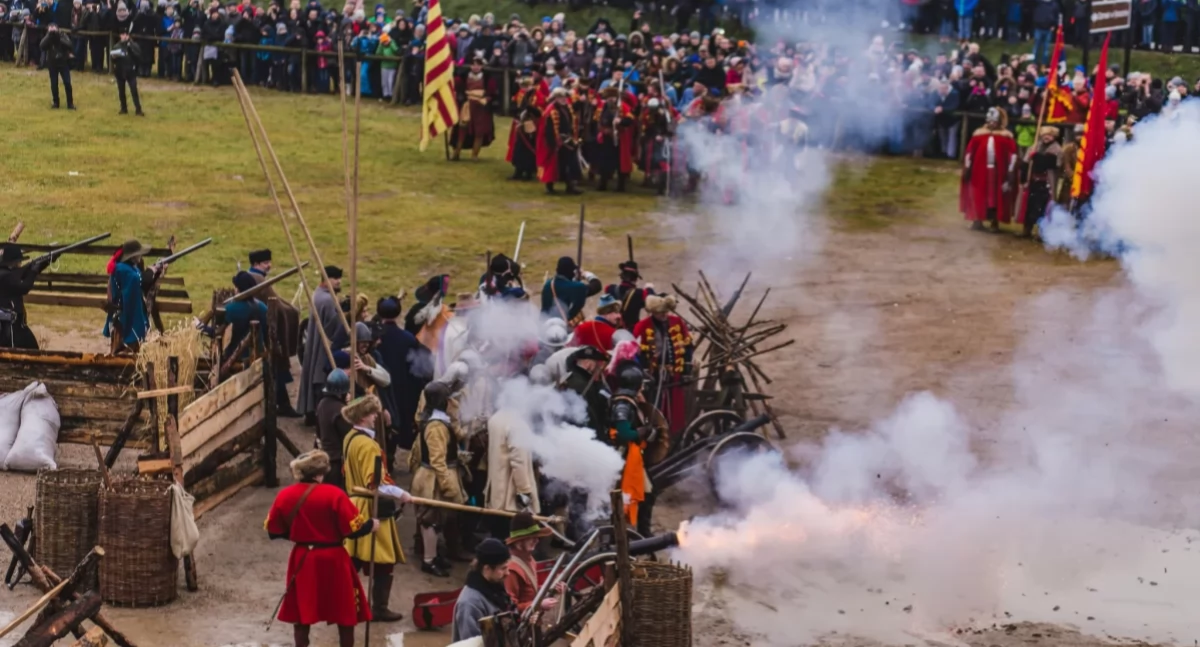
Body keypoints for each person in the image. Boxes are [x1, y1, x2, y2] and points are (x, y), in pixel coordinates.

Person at [264, 449, 378, 647]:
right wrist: (371, 525)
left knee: (302, 611)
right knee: (344, 609)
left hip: (302, 558)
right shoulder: (335, 494)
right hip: (334, 559)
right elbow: (353, 530)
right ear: (319, 474)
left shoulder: (284, 495)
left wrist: (301, 535)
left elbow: (273, 532)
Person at [341, 394, 410, 623]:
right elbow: (376, 484)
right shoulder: (369, 445)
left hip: (354, 504)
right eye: (371, 413)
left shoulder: (350, 437)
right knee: (382, 560)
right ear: (362, 417)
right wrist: (402, 494)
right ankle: (379, 608)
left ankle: (344, 603)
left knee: (354, 558)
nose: (375, 417)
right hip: (371, 506)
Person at [407, 381, 466, 578]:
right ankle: (429, 560)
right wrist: (447, 484)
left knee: (438, 520)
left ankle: (433, 556)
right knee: (430, 520)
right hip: (432, 480)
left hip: (436, 477)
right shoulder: (436, 427)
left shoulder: (438, 422)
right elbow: (437, 460)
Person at [248, 249, 302, 417]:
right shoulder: (257, 279)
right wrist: (291, 313)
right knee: (276, 370)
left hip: (262, 332)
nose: (269, 265)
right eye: (265, 263)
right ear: (256, 264)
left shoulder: (257, 278)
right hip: (266, 334)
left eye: (269, 262)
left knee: (275, 372)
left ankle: (280, 404)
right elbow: (276, 305)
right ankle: (281, 405)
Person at [633, 295, 694, 438]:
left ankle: (675, 435)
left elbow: (688, 346)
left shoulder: (677, 322)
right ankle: (658, 435)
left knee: (676, 408)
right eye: (661, 312)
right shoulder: (642, 326)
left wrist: (685, 368)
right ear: (653, 312)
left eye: (666, 311)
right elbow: (637, 352)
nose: (664, 315)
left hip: (675, 374)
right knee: (656, 407)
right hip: (654, 376)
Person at [608, 363, 657, 536]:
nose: (643, 387)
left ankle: (642, 533)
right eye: (641, 384)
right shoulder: (623, 404)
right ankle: (625, 535)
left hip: (632, 454)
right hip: (623, 455)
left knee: (647, 493)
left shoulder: (629, 401)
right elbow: (623, 434)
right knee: (625, 497)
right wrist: (640, 432)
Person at [373, 296, 423, 452]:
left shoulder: (374, 337)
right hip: (403, 387)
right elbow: (416, 368)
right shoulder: (408, 339)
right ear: (399, 313)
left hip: (378, 386)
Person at [960, 107, 1018, 233]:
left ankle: (994, 222)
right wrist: (968, 166)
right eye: (990, 121)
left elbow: (1012, 155)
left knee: (997, 197)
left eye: (995, 121)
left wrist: (1010, 170)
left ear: (999, 122)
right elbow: (969, 152)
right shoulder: (979, 135)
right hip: (979, 171)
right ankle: (977, 220)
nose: (992, 123)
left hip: (998, 172)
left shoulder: (1006, 137)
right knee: (978, 195)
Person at [485, 407, 539, 539]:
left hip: (496, 490)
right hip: (510, 497)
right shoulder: (517, 424)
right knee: (515, 539)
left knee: (498, 535)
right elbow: (518, 461)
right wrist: (524, 490)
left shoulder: (496, 418)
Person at [299, 266, 343, 423]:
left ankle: (310, 412)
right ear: (325, 279)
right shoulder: (328, 300)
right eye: (335, 278)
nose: (338, 281)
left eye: (339, 278)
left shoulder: (318, 294)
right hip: (323, 345)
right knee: (321, 377)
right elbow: (334, 328)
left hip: (315, 341)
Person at [451, 538, 514, 642]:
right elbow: (471, 643)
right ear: (487, 569)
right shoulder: (469, 604)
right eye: (503, 568)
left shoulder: (496, 587)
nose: (507, 573)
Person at [103, 240, 157, 353]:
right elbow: (138, 280)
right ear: (133, 256)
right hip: (123, 318)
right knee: (123, 353)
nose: (141, 256)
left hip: (125, 316)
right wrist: (150, 272)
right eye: (139, 253)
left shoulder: (129, 268)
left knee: (132, 351)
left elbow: (142, 285)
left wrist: (155, 272)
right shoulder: (124, 270)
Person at [503, 512, 564, 613]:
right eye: (532, 538)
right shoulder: (511, 569)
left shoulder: (530, 559)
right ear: (519, 542)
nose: (537, 541)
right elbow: (510, 608)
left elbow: (531, 592)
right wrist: (539, 605)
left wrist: (551, 588)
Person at [0, 243, 50, 349]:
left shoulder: (7, 273)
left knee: (33, 350)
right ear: (14, 262)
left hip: (18, 324)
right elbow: (25, 287)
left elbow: (25, 273)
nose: (20, 264)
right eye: (19, 261)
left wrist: (45, 262)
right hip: (10, 326)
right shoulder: (5, 276)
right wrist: (33, 271)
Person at [536, 87, 583, 195]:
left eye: (564, 97)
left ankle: (570, 186)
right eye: (560, 97)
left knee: (569, 164)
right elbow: (548, 129)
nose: (563, 99)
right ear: (555, 98)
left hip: (568, 140)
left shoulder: (568, 108)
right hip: (555, 141)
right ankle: (549, 187)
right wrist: (553, 143)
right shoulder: (551, 111)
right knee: (552, 165)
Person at [1018, 125, 1062, 239]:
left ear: (1054, 137)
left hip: (1047, 183)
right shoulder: (1035, 146)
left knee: (1043, 208)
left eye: (1049, 135)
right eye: (1044, 134)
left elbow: (1049, 163)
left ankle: (1041, 232)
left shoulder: (1056, 149)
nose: (1046, 137)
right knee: (1030, 206)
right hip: (1033, 181)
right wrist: (1024, 176)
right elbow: (1026, 162)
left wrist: (1036, 156)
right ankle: (1027, 229)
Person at [592, 85, 636, 192]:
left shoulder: (623, 107)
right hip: (606, 138)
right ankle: (603, 184)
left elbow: (630, 120)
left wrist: (620, 121)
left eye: (613, 97)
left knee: (620, 163)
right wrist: (602, 130)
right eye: (609, 97)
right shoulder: (602, 107)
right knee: (604, 162)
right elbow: (596, 121)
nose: (611, 99)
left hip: (620, 139)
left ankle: (621, 186)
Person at [452, 56, 497, 161]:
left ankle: (474, 155)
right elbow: (457, 87)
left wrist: (487, 99)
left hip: (481, 107)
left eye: (478, 65)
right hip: (467, 106)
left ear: (481, 66)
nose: (476, 67)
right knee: (462, 129)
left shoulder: (487, 78)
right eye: (474, 64)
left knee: (479, 131)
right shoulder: (463, 76)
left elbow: (492, 93)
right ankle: (456, 153)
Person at [314, 368, 352, 489]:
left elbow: (318, 432)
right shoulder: (340, 410)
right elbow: (348, 436)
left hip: (324, 457)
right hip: (337, 461)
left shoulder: (322, 404)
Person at [539, 256, 601, 329]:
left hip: (544, 325)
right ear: (572, 272)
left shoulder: (548, 285)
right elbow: (597, 286)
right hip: (564, 327)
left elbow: (566, 288)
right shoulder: (577, 287)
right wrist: (585, 274)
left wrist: (575, 280)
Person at [222, 271, 267, 365]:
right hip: (259, 360)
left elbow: (218, 333)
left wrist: (200, 326)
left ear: (238, 289)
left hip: (234, 362)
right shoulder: (263, 307)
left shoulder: (230, 309)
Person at [505, 76, 543, 181]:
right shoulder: (524, 94)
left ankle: (528, 173)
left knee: (529, 149)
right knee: (519, 148)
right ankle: (518, 171)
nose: (524, 88)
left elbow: (540, 112)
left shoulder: (538, 96)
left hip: (532, 125)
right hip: (522, 123)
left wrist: (529, 108)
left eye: (526, 86)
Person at [603, 261, 653, 333]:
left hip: (612, 331)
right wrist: (649, 288)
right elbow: (653, 302)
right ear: (635, 279)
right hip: (632, 333)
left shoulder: (609, 289)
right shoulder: (640, 293)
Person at [109, 30, 144, 116]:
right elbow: (112, 60)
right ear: (120, 36)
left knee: (134, 90)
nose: (124, 36)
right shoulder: (116, 46)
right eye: (123, 34)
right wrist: (113, 57)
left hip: (131, 71)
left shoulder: (134, 45)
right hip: (120, 71)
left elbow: (138, 57)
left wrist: (130, 49)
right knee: (121, 91)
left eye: (126, 35)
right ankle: (123, 108)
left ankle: (138, 109)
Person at [41, 22, 75, 110]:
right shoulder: (48, 37)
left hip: (63, 62)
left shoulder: (62, 35)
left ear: (58, 29)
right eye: (50, 29)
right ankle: (56, 102)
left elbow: (70, 45)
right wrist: (49, 36)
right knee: (54, 83)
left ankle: (70, 103)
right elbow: (42, 46)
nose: (52, 31)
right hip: (52, 63)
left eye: (54, 29)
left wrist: (58, 37)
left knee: (67, 83)